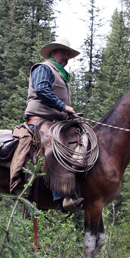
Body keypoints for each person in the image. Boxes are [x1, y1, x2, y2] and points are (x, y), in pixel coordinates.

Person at [12, 38, 84, 211]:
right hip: (40, 119)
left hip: (57, 121)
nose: (66, 57)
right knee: (54, 144)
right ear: (53, 53)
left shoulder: (62, 75)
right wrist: (63, 107)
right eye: (63, 52)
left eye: (68, 54)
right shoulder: (43, 68)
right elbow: (42, 90)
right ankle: (62, 197)